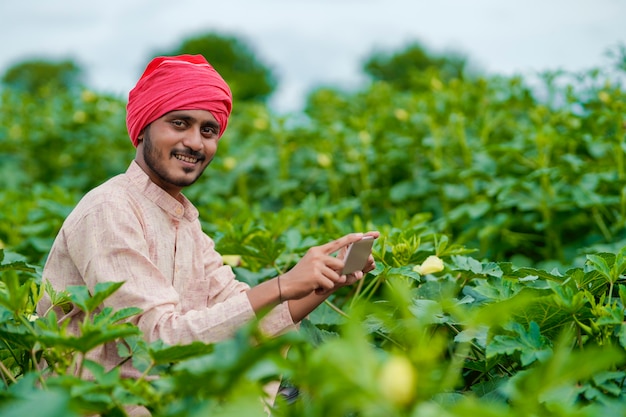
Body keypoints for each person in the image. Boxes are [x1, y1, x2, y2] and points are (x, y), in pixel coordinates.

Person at [37, 54, 378, 401]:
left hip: (170, 399)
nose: (196, 143)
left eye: (208, 130)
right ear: (143, 129)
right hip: (102, 404)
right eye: (179, 123)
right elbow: (156, 341)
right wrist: (284, 283)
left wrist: (323, 283)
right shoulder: (109, 209)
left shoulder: (186, 221)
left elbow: (244, 315)